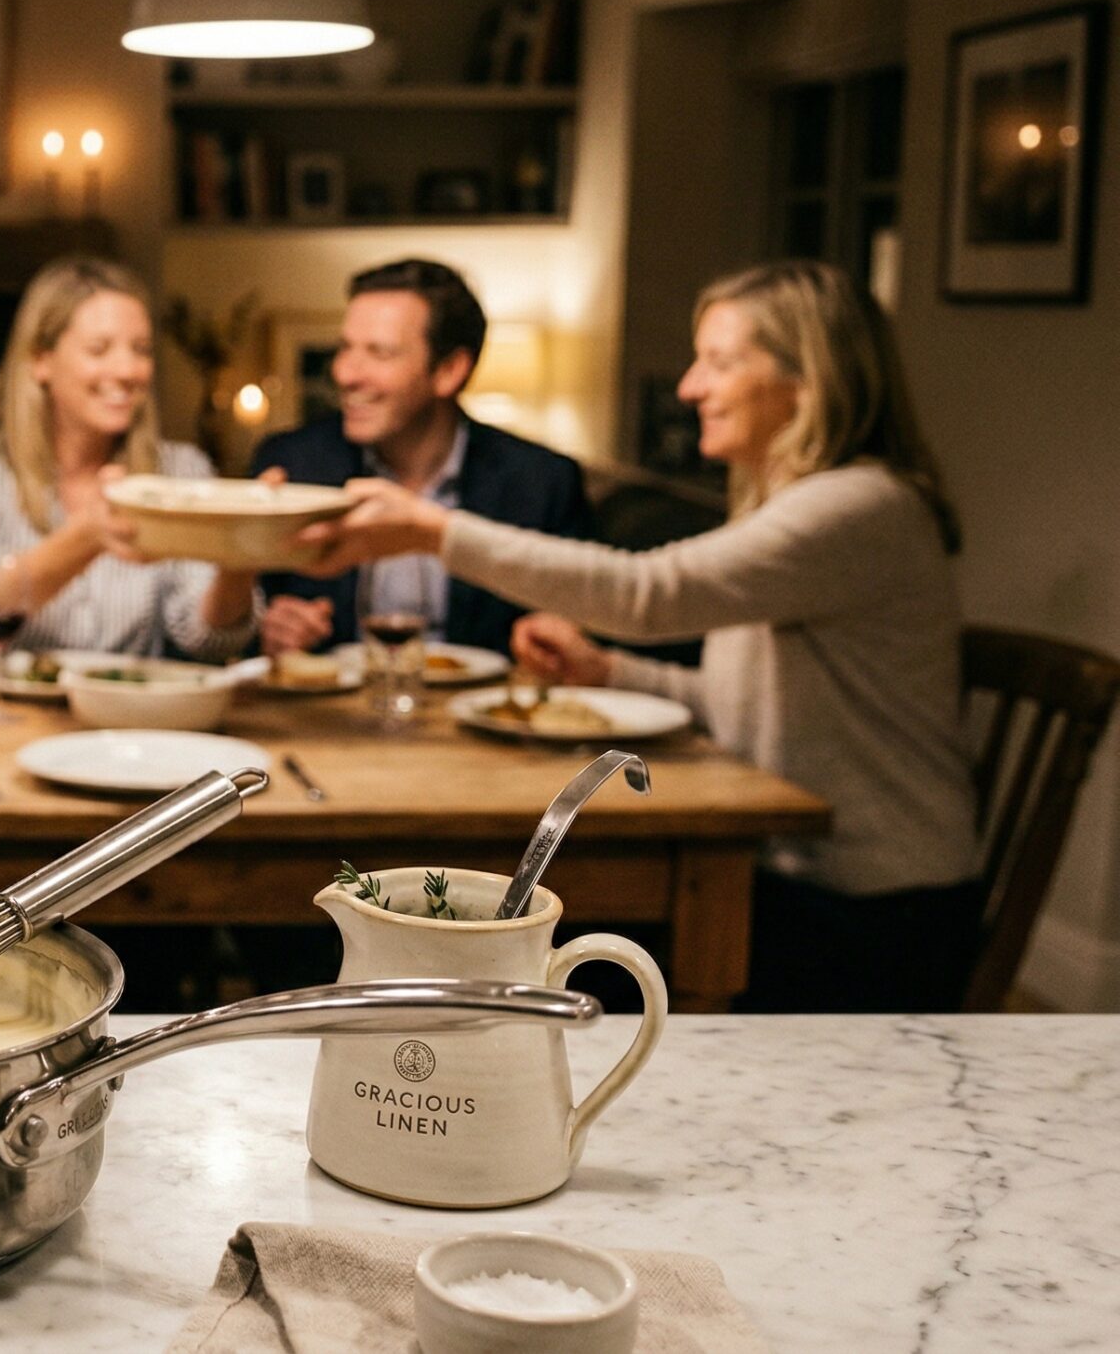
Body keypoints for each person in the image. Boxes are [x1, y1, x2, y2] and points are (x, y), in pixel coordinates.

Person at [297, 260, 979, 1011]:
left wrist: (433, 530)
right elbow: (737, 699)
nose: (689, 387)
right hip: (806, 877)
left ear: (806, 378)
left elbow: (648, 592)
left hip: (873, 907)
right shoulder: (806, 505)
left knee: (561, 956)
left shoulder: (854, 508)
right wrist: (608, 671)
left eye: (719, 362)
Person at [0, 255, 257, 661]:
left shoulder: (181, 471)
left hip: (128, 719)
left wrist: (239, 560)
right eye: (99, 349)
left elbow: (206, 639)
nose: (128, 370)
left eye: (141, 350)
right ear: (40, 361)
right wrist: (88, 535)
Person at [249, 258, 591, 657]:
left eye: (379, 353)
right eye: (345, 348)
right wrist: (271, 632)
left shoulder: (541, 482)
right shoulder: (293, 464)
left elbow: (583, 628)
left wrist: (554, 641)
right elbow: (234, 625)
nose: (345, 373)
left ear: (449, 370)